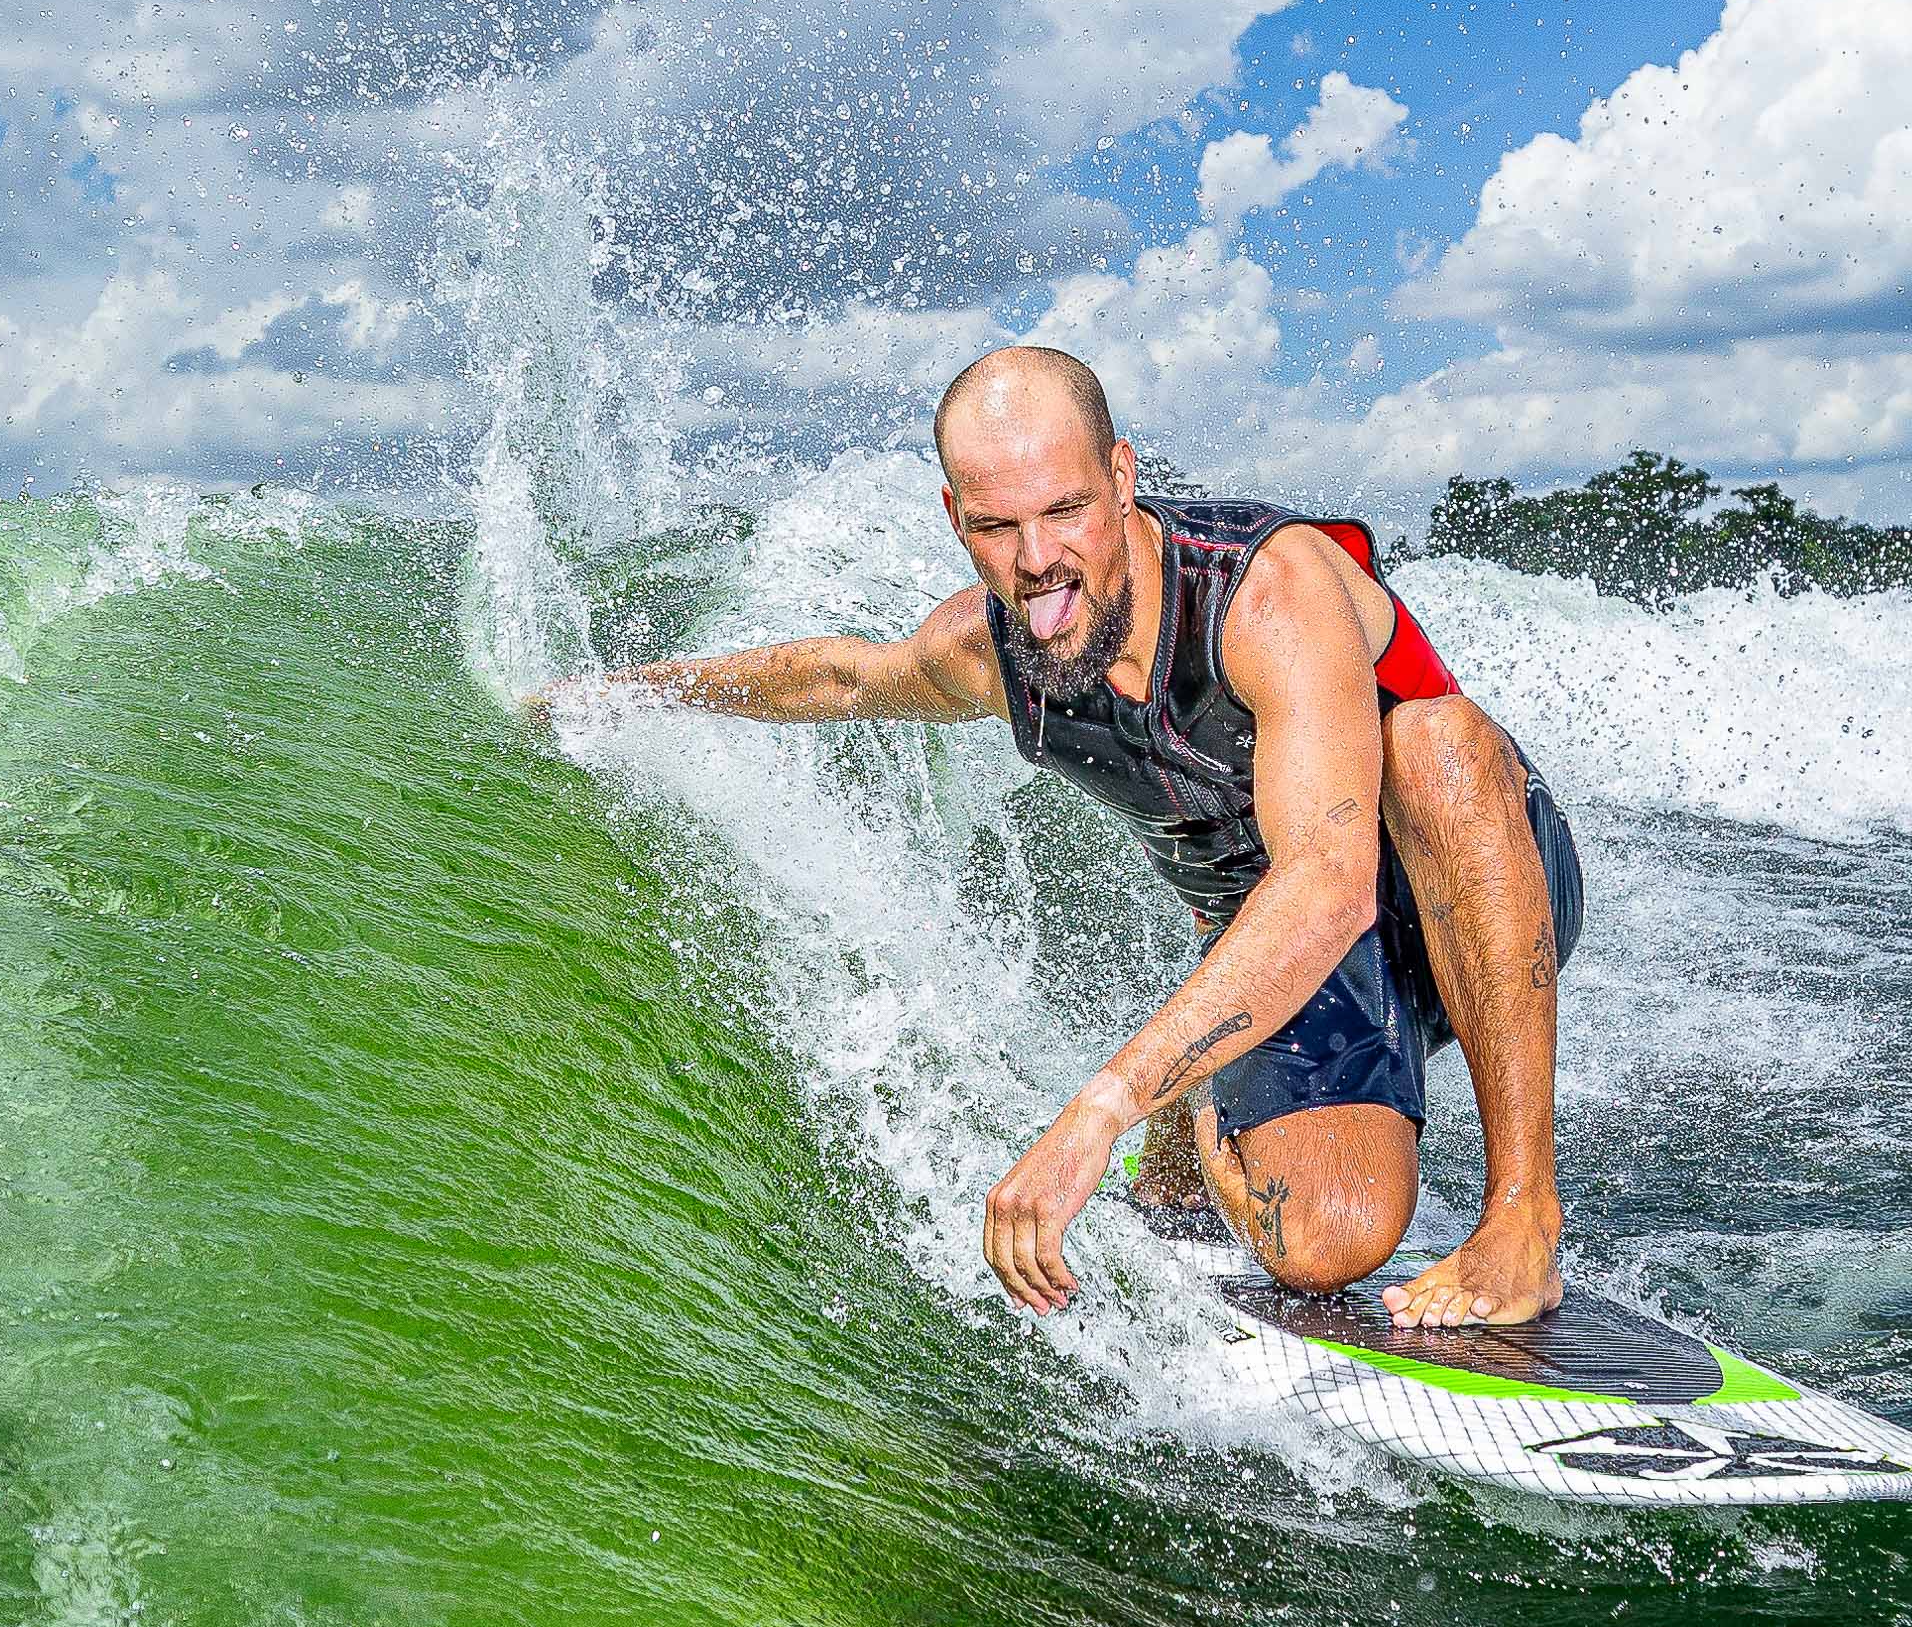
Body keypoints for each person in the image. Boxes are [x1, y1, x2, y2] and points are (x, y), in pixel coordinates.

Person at [530, 345, 1582, 1327]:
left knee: (1438, 746)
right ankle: (1205, 1109)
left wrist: (1102, 1107)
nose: (1037, 560)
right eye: (996, 526)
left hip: (1478, 893)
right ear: (954, 517)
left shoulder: (1264, 593)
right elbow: (840, 674)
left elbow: (1329, 884)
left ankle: (1520, 1215)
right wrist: (632, 694)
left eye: (1065, 509)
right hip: (1292, 963)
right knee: (1324, 1242)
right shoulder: (990, 653)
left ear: (1120, 477)